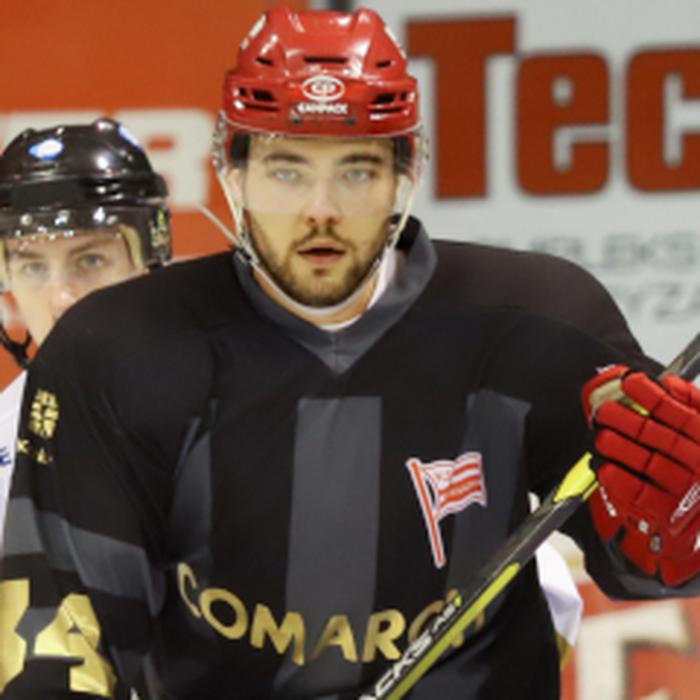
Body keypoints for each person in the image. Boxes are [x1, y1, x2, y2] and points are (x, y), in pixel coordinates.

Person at [1, 7, 699, 699]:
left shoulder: (542, 323)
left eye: (357, 171)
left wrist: (677, 534)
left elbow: (648, 566)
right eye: (287, 171)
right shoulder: (114, 352)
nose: (320, 209)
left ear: (406, 172)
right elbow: (58, 641)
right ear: (230, 173)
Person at [0, 117, 171, 550]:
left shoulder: (230, 422)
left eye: (90, 261)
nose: (61, 298)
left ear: (149, 262)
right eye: (33, 267)